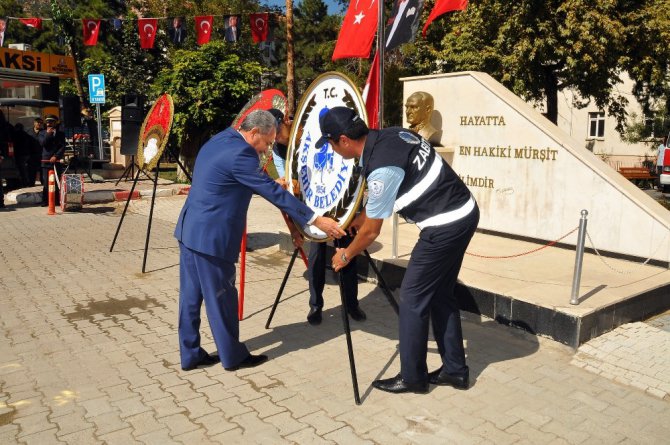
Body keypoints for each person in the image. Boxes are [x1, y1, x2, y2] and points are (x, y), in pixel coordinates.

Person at [317, 107, 480, 394]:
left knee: (412, 297)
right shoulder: (391, 135)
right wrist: (360, 217)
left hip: (444, 226)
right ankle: (455, 371)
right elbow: (384, 200)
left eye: (330, 143)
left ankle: (413, 377)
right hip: (464, 212)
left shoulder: (381, 169)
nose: (330, 149)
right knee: (440, 294)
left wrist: (345, 255)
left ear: (343, 140)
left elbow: (371, 232)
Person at [174, 109, 345, 372]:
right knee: (223, 299)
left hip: (189, 231)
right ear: (254, 132)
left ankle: (191, 354)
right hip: (212, 240)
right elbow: (274, 193)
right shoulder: (242, 154)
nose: (266, 150)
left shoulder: (222, 139)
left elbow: (235, 176)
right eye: (266, 142)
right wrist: (314, 219)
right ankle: (233, 357)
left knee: (190, 298)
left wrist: (264, 180)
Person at [267, 109, 365, 325]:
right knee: (317, 257)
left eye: (277, 131)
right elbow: (288, 188)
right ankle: (315, 305)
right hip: (313, 207)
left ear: (285, 122)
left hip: (340, 202)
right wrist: (288, 186)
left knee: (346, 251)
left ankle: (352, 304)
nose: (276, 138)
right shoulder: (278, 149)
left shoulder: (309, 132)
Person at [40, 114, 66, 206]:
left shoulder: (61, 134)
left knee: (56, 181)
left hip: (56, 160)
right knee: (46, 182)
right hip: (46, 161)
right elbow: (43, 144)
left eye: (51, 122)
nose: (49, 124)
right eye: (47, 122)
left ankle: (56, 200)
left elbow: (62, 147)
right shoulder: (42, 133)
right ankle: (45, 200)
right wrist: (48, 134)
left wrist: (56, 156)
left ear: (55, 122)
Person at [27, 118, 44, 187]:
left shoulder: (44, 132)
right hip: (31, 155)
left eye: (40, 123)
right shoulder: (29, 132)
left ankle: (43, 185)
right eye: (38, 122)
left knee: (42, 171)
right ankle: (31, 184)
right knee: (31, 171)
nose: (39, 124)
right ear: (34, 123)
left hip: (42, 155)